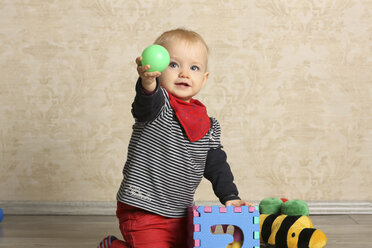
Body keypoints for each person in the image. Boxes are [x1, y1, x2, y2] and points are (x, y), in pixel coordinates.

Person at [98, 28, 252, 248]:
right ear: (159, 70)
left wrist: (230, 195)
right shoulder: (158, 106)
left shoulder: (208, 125)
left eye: (194, 67)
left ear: (204, 78)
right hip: (144, 208)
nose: (184, 73)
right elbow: (146, 98)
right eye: (173, 64)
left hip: (180, 212)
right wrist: (147, 82)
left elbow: (216, 165)